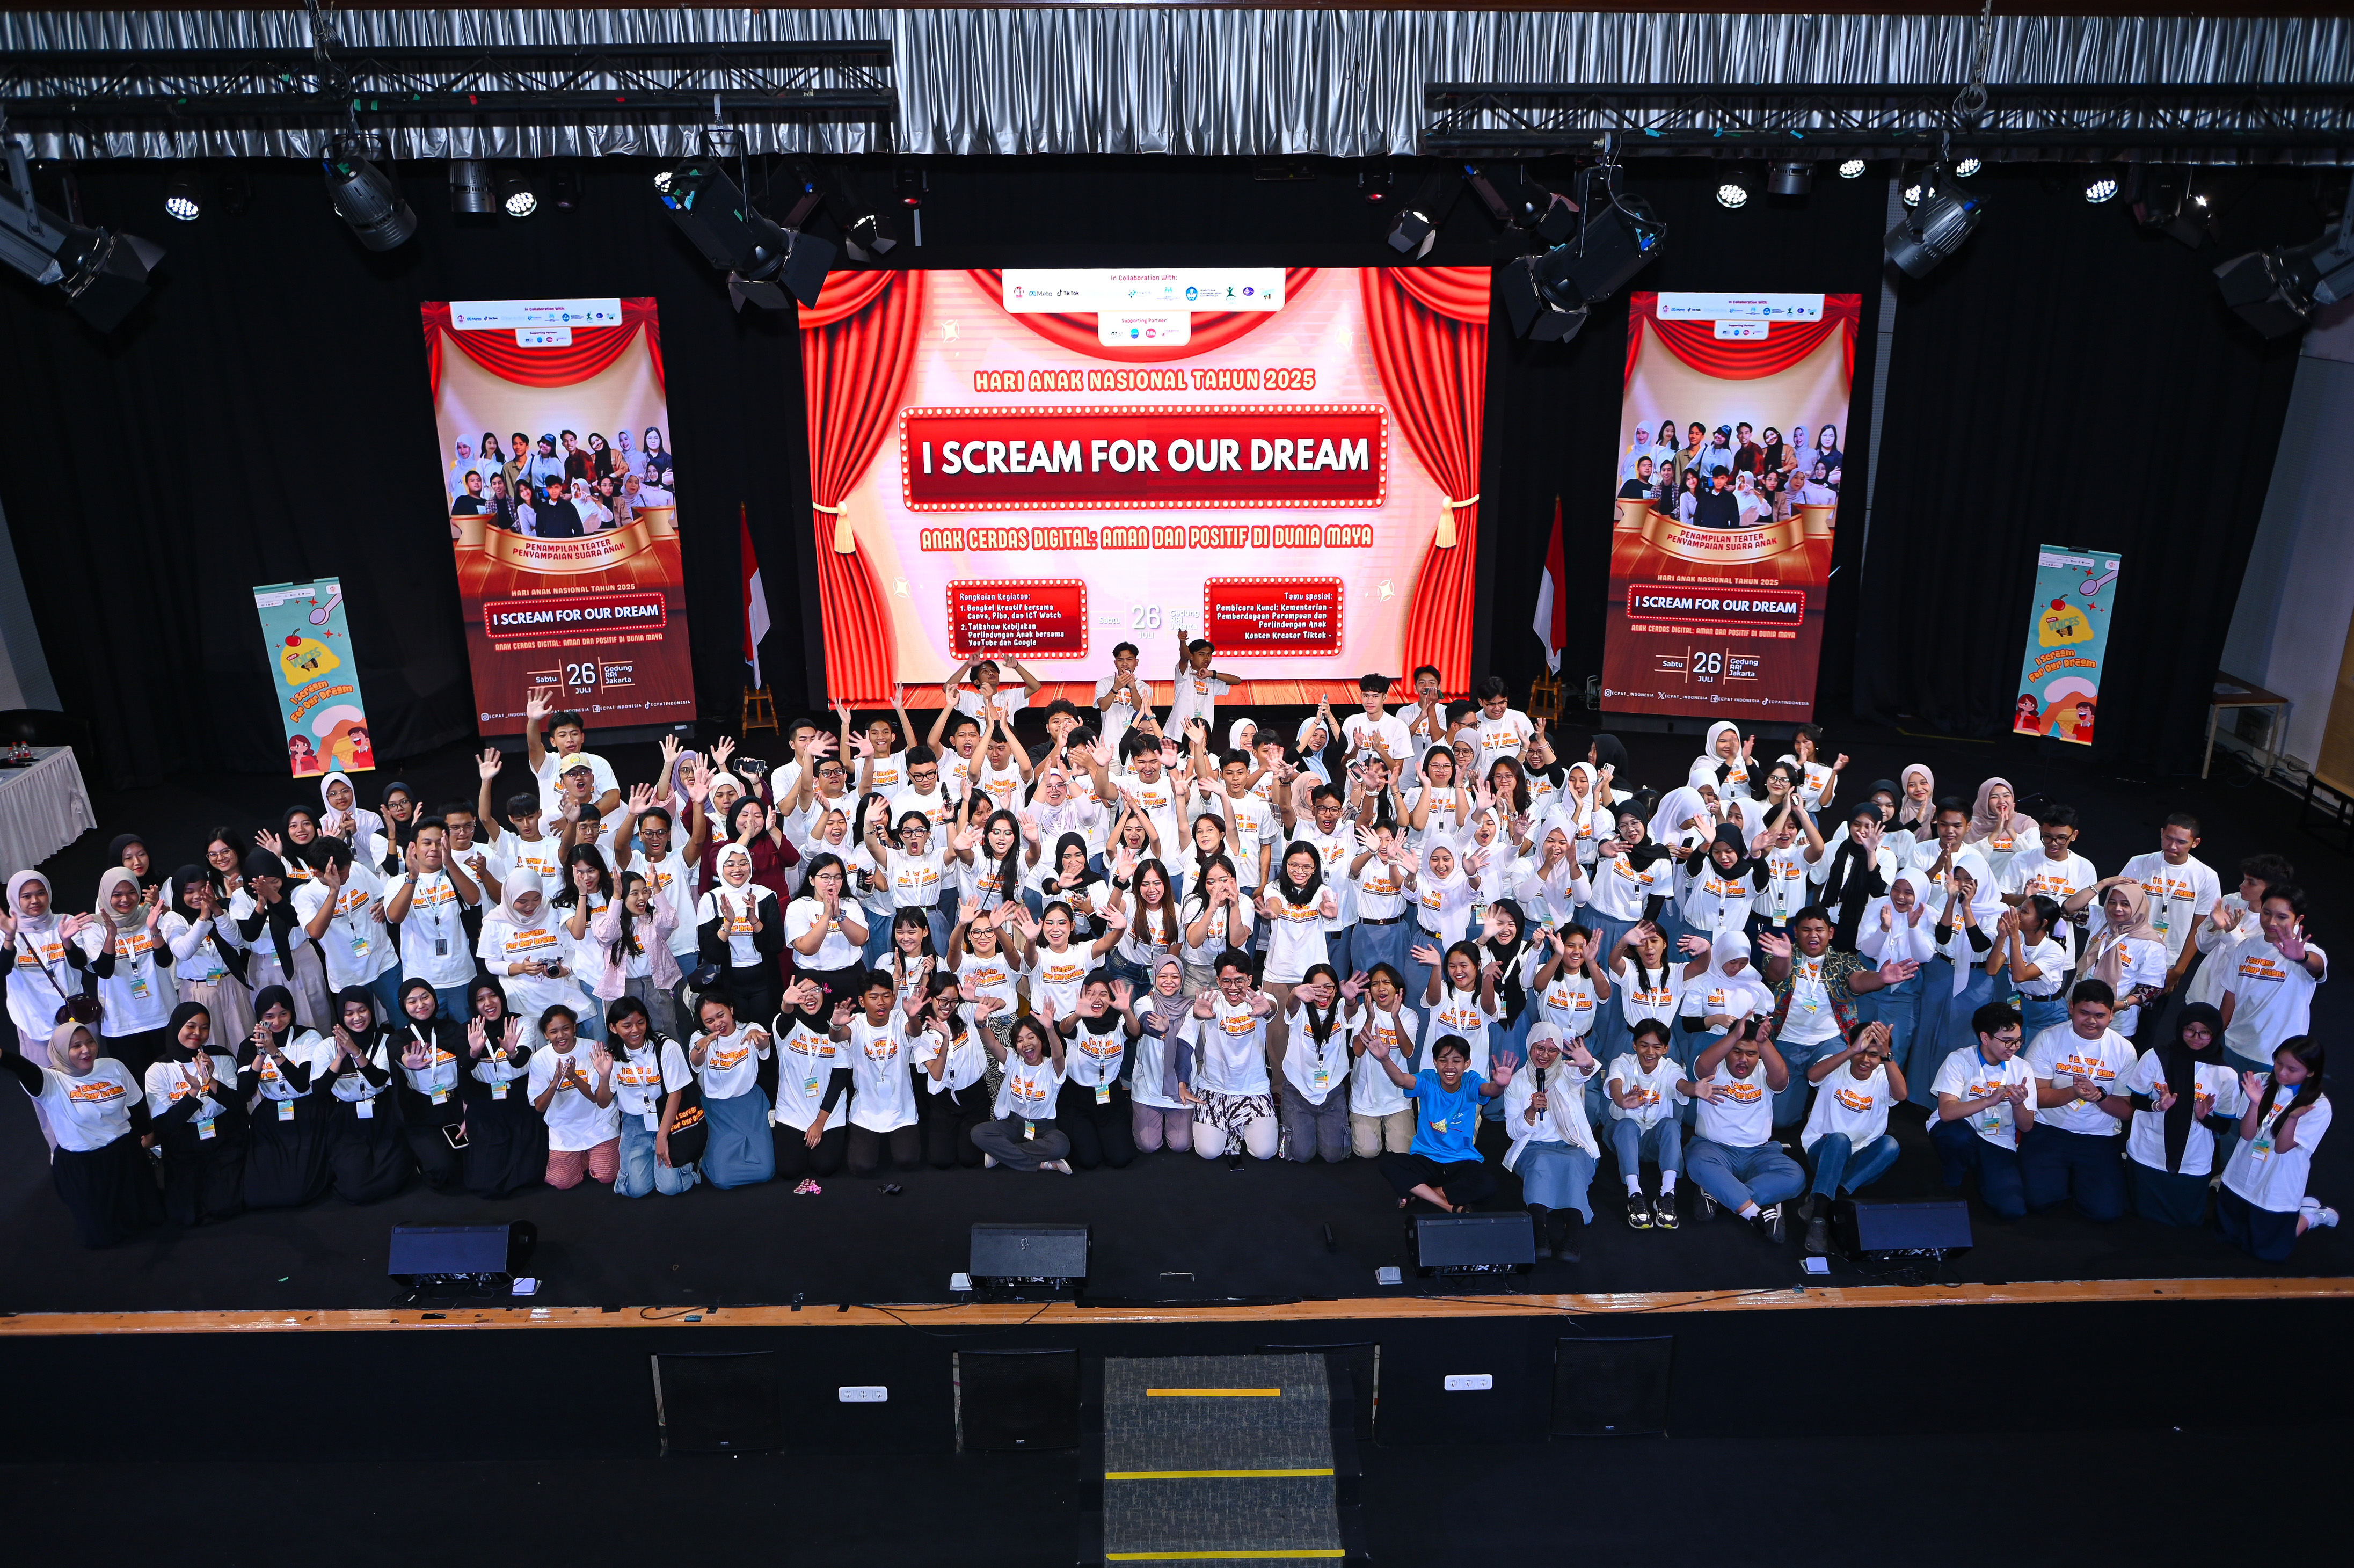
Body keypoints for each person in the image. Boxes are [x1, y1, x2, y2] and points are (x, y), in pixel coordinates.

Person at [3, 1020, 163, 1247]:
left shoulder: (113, 1066)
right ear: (61, 1050)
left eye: (90, 1042)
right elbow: (21, 1067)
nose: (86, 1050)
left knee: (149, 1218)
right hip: (85, 1166)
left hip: (125, 1154)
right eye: (76, 1046)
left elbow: (135, 1105)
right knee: (102, 1236)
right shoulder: (49, 1081)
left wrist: (148, 1133)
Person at [2020, 980, 2136, 1222]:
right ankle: (2064, 1178)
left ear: (2111, 1015)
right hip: (2049, 1130)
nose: (2092, 1021)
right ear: (2071, 1007)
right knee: (2037, 1202)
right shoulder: (2048, 1038)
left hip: (2099, 1136)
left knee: (2106, 1213)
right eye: (2085, 1013)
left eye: (2100, 1015)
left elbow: (2126, 1112)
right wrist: (2073, 1093)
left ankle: (2075, 1179)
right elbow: (2036, 1097)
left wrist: (2099, 1097)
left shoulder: (2125, 1050)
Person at [2117, 1001, 2240, 1226]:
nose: (2196, 1037)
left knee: (2184, 1225)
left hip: (2192, 1159)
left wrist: (2203, 1117)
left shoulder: (2226, 1075)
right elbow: (2136, 1100)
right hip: (2148, 1149)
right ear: (2180, 1027)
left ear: (2215, 1034)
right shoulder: (2156, 1056)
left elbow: (2224, 1127)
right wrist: (2158, 1106)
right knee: (2137, 1220)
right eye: (2190, 1029)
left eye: (2205, 1032)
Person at [1681, 1019, 1803, 1241]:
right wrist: (1733, 1036)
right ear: (1728, 1048)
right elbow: (1701, 1067)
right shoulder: (1714, 1068)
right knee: (1697, 1162)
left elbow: (1781, 1079)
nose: (1743, 1059)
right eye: (1737, 1051)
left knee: (1796, 1176)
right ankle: (1757, 1212)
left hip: (1759, 1153)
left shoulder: (1765, 1072)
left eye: (1751, 1053)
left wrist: (1763, 1042)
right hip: (1714, 1150)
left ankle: (1719, 1192)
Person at [2215, 1035, 2334, 1261]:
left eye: (2292, 1069)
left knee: (2270, 1252)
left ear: (2311, 1072)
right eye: (2279, 1063)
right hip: (2241, 1174)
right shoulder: (2260, 1081)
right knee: (2226, 1236)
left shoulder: (2318, 1106)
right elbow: (2247, 1134)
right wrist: (2255, 1103)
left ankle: (2311, 1216)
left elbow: (2281, 1147)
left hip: (2276, 1182)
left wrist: (2292, 1118)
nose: (2282, 1073)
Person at [1795, 1020, 1906, 1253]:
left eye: (1874, 1055)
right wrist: (1851, 1051)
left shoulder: (1884, 1074)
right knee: (1839, 1139)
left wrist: (1887, 1056)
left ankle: (1823, 1199)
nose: (1865, 1060)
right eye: (1861, 1052)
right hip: (1824, 1150)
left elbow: (1901, 1095)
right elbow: (1812, 1075)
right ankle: (1819, 1219)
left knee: (1891, 1145)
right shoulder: (1837, 1065)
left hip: (1859, 1157)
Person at [1364, 1031, 1506, 1212]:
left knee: (1488, 1186)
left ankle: (1421, 1193)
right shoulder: (1428, 1079)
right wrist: (1385, 1059)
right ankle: (1446, 1204)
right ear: (1435, 1062)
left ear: (1467, 1063)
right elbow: (1402, 1079)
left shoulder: (1471, 1081)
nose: (1449, 1067)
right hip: (1426, 1159)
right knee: (1388, 1162)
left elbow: (1489, 1090)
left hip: (1461, 1160)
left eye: (1456, 1061)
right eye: (1443, 1061)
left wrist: (1500, 1084)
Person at [1499, 1022, 1602, 1259]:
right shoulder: (1516, 1082)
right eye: (1540, 1048)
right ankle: (1539, 1233)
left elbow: (1584, 1072)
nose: (1545, 1055)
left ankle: (1572, 1237)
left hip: (1571, 1144)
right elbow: (1513, 1132)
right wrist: (1530, 1112)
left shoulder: (1567, 1072)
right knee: (1541, 1162)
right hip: (1533, 1148)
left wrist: (1587, 1063)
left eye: (1553, 1050)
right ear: (1529, 1046)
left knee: (1573, 1163)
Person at [144, 1001, 246, 1226]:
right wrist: (193, 1092)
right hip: (184, 1144)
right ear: (177, 1027)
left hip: (223, 1138)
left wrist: (211, 1080)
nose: (198, 1033)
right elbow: (164, 1125)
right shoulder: (158, 1070)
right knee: (184, 1216)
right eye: (191, 1026)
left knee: (227, 1207)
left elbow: (238, 1105)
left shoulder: (221, 1057)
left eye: (204, 1028)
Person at [1174, 952, 1282, 1163]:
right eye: (1226, 981)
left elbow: (1271, 1008)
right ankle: (1232, 1128)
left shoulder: (1260, 1000)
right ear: (1218, 981)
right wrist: (1182, 1080)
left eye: (1239, 981)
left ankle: (1234, 1128)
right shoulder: (1207, 1002)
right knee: (1208, 1152)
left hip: (1254, 1090)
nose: (1233, 988)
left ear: (1249, 980)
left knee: (1265, 1152)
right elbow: (1185, 1042)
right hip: (1214, 1089)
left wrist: (1268, 1010)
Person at [2218, 884, 2327, 1080]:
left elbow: (2317, 966)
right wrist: (2217, 1037)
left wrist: (2302, 958)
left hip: (2275, 1058)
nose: (2271, 922)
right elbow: (2230, 994)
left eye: (2282, 917)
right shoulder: (2245, 947)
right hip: (2232, 1047)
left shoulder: (2308, 952)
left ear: (2298, 919)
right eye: (2267, 913)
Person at [239, 984, 333, 1209]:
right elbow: (244, 1093)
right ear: (260, 1018)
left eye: (283, 1014)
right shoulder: (249, 1046)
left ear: (292, 1012)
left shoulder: (308, 1036)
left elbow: (301, 1083)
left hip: (307, 1109)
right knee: (258, 1195)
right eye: (269, 1016)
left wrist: (274, 1051)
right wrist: (260, 1056)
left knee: (299, 1191)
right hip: (272, 1114)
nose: (277, 1021)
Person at [606, 993, 699, 1198]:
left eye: (641, 1022)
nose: (635, 1030)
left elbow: (675, 1094)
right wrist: (604, 1076)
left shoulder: (666, 1047)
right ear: (613, 1028)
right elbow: (603, 1101)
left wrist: (662, 1136)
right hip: (634, 1122)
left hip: (667, 1117)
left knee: (670, 1188)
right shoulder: (610, 1054)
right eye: (627, 1025)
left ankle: (691, 1166)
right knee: (636, 1190)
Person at [458, 977, 543, 1198]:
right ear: (473, 1004)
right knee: (484, 1183)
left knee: (530, 1176)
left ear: (502, 997)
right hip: (485, 1102)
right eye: (480, 999)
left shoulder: (521, 1023)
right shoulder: (467, 1030)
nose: (488, 1003)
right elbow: (465, 1068)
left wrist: (512, 1052)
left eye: (493, 995)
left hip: (521, 1099)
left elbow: (521, 1060)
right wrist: (474, 1052)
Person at [835, 971, 925, 1176]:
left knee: (908, 1161)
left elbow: (915, 1031)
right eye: (874, 997)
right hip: (866, 1112)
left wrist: (913, 1016)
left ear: (893, 998)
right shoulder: (856, 1022)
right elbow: (839, 1036)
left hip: (901, 1110)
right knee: (861, 1167)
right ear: (862, 1001)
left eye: (886, 996)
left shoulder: (900, 1017)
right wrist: (836, 1026)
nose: (881, 1003)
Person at [689, 991, 775, 1189]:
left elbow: (764, 1044)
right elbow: (696, 1062)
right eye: (710, 1021)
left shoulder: (750, 1028)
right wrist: (700, 1047)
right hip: (717, 1109)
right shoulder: (700, 1037)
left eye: (721, 1015)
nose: (718, 1023)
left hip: (750, 1105)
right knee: (722, 1180)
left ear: (731, 1010)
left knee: (766, 1172)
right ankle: (706, 1158)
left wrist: (758, 1038)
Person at [387, 978, 465, 1193]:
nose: (420, 1005)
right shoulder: (399, 1037)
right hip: (422, 1114)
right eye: (412, 1001)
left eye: (425, 997)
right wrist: (407, 1061)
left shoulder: (453, 1028)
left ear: (434, 998)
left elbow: (468, 1069)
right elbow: (396, 1050)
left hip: (457, 1105)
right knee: (443, 1170)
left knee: (476, 1164)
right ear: (403, 1006)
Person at [1605, 1019, 1686, 1229]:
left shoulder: (1671, 1068)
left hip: (1653, 1142)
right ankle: (1635, 1195)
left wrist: (1696, 1090)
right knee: (1627, 1125)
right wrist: (1622, 1101)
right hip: (1622, 1138)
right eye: (1644, 1045)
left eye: (1657, 1047)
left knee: (1671, 1125)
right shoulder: (1623, 1061)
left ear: (1666, 1049)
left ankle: (1667, 1195)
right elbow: (1615, 1084)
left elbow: (1682, 1085)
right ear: (1634, 1045)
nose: (1650, 1052)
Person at [971, 1011, 1074, 1173]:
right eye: (1020, 1040)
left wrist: (1050, 1029)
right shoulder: (1013, 1061)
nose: (1025, 1043)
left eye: (1031, 1037)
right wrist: (981, 1024)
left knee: (1061, 1146)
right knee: (978, 1133)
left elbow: (1058, 1055)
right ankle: (1043, 1165)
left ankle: (1001, 1152)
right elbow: (992, 1044)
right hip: (1014, 1124)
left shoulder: (1052, 1067)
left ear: (1041, 1040)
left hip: (1044, 1128)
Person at [1276, 964, 1354, 1163]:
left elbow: (1351, 1011)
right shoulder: (1300, 1009)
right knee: (1301, 1155)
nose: (1323, 994)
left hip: (1332, 1091)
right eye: (1316, 988)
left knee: (1335, 1156)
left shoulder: (1340, 1008)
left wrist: (1351, 999)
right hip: (1298, 1090)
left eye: (1329, 987)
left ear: (1336, 989)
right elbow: (1291, 1006)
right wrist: (1295, 994)